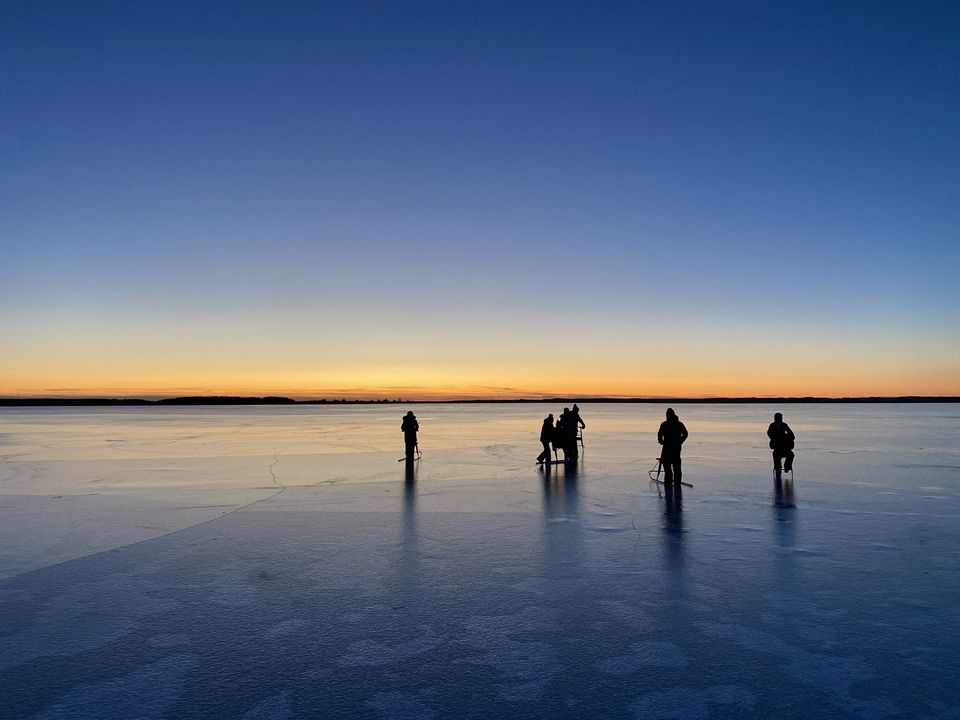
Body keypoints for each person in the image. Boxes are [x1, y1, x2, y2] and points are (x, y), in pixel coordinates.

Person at [657, 408, 688, 485]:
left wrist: (680, 441)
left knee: (672, 465)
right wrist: (661, 441)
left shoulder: (676, 424)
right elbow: (660, 434)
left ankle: (672, 481)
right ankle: (672, 481)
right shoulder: (667, 424)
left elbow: (685, 433)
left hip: (673, 448)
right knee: (671, 465)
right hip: (671, 447)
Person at [767, 412, 795, 479]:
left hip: (785, 448)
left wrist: (786, 438)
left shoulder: (784, 425)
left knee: (791, 455)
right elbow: (769, 433)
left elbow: (792, 435)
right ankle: (778, 468)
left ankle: (787, 466)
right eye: (778, 418)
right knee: (776, 456)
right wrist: (774, 437)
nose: (779, 419)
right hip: (777, 449)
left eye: (780, 418)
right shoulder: (772, 425)